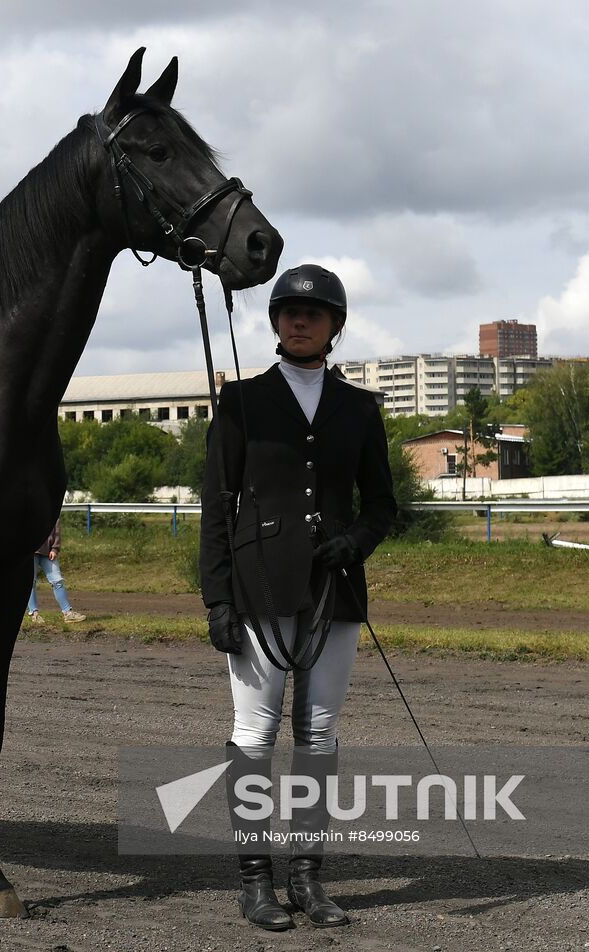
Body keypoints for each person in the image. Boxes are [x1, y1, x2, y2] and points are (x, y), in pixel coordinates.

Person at [199, 264, 396, 931]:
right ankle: (256, 883)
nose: (301, 321)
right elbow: (217, 506)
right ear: (277, 322)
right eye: (289, 312)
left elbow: (384, 505)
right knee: (254, 734)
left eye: (314, 314)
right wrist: (217, 599)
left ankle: (309, 879)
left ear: (334, 325)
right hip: (259, 590)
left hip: (332, 594)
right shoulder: (242, 402)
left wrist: (356, 542)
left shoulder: (361, 408)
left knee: (318, 735)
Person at [26, 518, 86, 623]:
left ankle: (68, 613)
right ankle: (34, 614)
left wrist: (55, 548)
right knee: (30, 583)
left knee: (57, 581)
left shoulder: (53, 510)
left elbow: (56, 531)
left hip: (48, 551)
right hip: (30, 551)